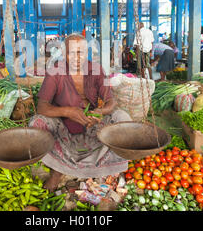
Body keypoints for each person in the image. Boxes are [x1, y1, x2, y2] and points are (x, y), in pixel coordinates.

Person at [28, 33, 135, 192]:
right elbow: (42, 107)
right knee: (37, 122)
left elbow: (111, 101)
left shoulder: (96, 70)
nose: (77, 57)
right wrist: (68, 111)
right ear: (64, 54)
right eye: (72, 52)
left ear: (87, 53)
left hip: (92, 125)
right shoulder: (55, 72)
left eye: (81, 52)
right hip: (62, 128)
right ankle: (57, 171)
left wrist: (100, 112)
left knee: (122, 117)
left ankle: (103, 168)